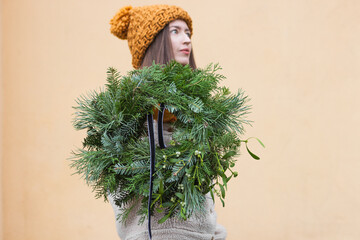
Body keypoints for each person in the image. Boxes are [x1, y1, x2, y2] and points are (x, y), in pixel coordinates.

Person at [108, 5, 227, 240]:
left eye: (188, 33)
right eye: (175, 31)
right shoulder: (128, 111)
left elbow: (202, 192)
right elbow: (125, 194)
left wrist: (212, 231)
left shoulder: (197, 109)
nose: (187, 40)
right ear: (153, 42)